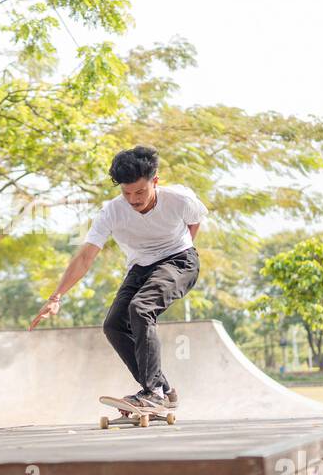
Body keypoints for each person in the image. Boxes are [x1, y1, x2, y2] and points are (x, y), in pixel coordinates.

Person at [29, 145, 207, 411]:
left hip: (179, 260)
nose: (134, 200)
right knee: (113, 325)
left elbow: (194, 223)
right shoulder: (112, 212)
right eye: (127, 193)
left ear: (155, 181)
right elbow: (85, 257)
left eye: (140, 192)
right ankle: (165, 390)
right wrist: (56, 296)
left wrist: (180, 250)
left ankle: (153, 392)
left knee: (141, 308)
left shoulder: (180, 199)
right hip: (140, 267)